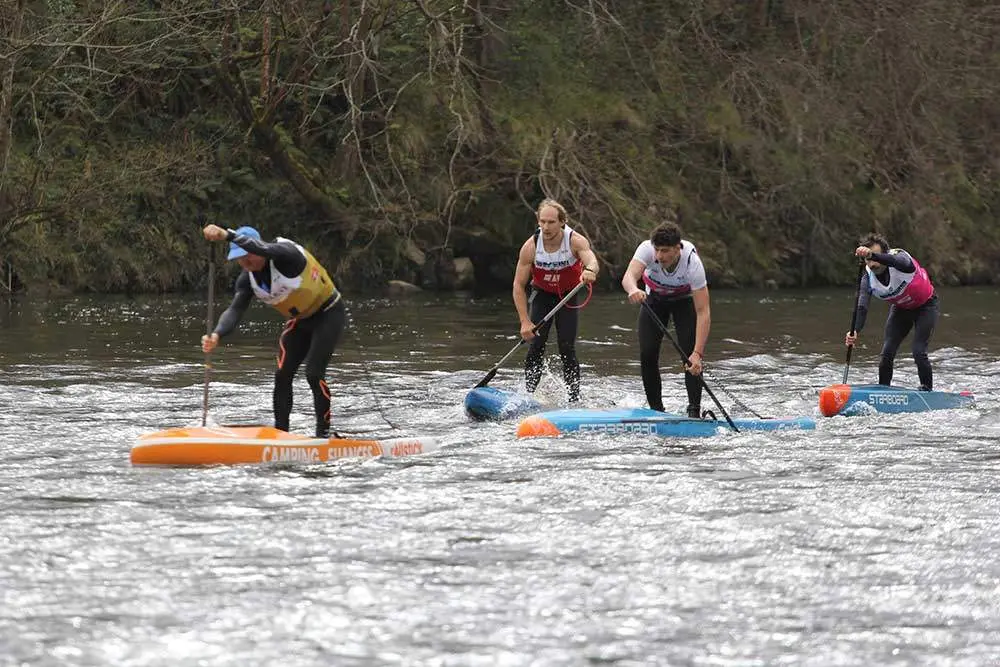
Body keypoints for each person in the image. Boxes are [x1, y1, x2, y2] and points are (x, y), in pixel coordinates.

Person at [200, 224, 346, 438]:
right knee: (282, 375)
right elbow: (235, 310)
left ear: (259, 248)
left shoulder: (286, 256)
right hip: (300, 321)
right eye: (240, 258)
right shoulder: (247, 280)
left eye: (249, 255)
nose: (245, 262)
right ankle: (281, 435)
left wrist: (227, 234)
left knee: (314, 374)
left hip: (328, 313)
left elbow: (266, 250)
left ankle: (323, 435)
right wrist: (217, 334)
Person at [512, 199, 599, 402]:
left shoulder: (575, 241)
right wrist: (525, 321)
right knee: (535, 345)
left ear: (562, 222)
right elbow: (518, 285)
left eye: (551, 222)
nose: (546, 227)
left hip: (568, 296)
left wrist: (590, 271)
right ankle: (529, 397)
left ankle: (573, 399)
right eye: (542, 222)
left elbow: (592, 260)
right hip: (542, 295)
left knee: (566, 346)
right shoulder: (530, 247)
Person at [621, 221, 710, 418]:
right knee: (648, 353)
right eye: (657, 250)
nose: (660, 256)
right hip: (654, 301)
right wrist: (633, 289)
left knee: (690, 356)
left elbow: (703, 311)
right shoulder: (646, 249)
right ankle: (656, 411)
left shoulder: (692, 264)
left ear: (678, 248)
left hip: (683, 302)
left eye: (665, 251)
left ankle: (694, 411)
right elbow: (629, 276)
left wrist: (698, 353)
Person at [844, 233, 938, 390]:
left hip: (926, 306)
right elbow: (862, 306)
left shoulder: (901, 260)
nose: (873, 263)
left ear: (884, 254)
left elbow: (895, 261)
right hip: (901, 310)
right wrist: (854, 331)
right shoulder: (867, 277)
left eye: (876, 257)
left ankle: (928, 391)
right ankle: (883, 392)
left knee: (918, 351)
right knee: (887, 353)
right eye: (868, 260)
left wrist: (872, 255)